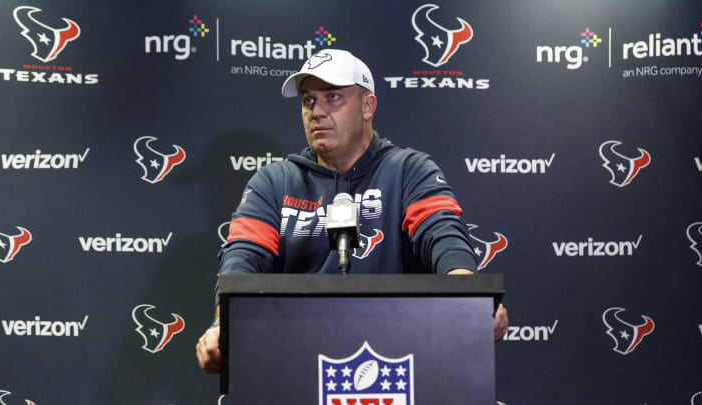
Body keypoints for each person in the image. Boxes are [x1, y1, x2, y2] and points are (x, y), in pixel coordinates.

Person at [196, 49, 508, 373]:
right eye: (308, 100)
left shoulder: (407, 170)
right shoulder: (274, 182)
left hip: (402, 358)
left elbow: (442, 233)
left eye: (333, 97)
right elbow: (242, 259)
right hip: (294, 362)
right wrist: (222, 326)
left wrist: (470, 299)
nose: (316, 111)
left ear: (367, 106)